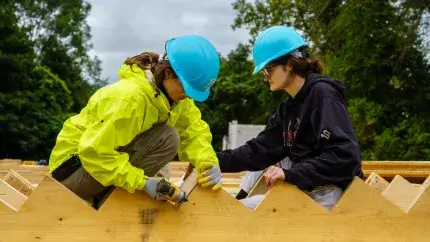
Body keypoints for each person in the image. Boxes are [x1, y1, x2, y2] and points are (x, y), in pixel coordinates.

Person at [48, 34, 223, 208]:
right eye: (187, 88)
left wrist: (208, 163)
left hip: (96, 169)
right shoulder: (130, 98)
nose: (188, 96)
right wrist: (142, 183)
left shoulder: (176, 100)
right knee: (168, 137)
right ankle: (105, 204)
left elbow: (194, 133)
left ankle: (108, 198)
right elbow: (95, 153)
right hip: (72, 174)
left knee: (164, 158)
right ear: (168, 73)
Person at [217, 26, 363, 210]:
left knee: (239, 215)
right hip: (305, 186)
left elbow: (346, 157)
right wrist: (214, 161)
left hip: (332, 192)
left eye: (268, 70)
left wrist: (290, 174)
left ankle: (238, 205)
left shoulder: (323, 94)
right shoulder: (288, 107)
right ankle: (238, 199)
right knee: (240, 205)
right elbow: (259, 150)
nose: (265, 78)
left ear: (290, 64)